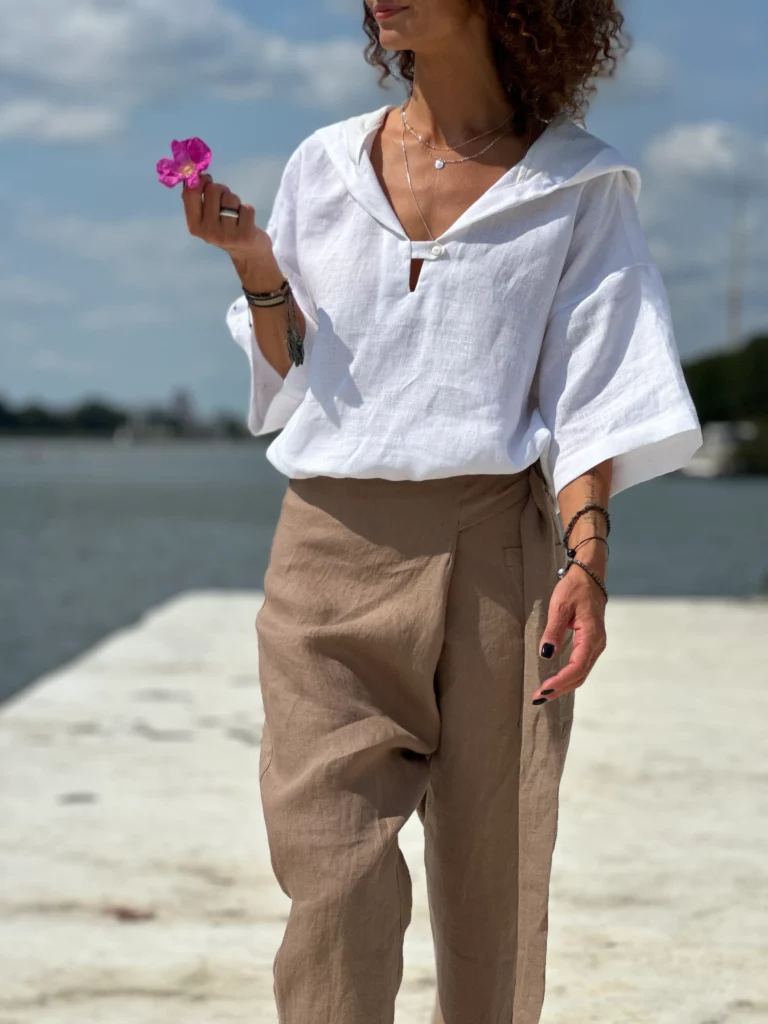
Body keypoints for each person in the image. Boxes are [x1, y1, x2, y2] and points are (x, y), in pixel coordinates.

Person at [181, 1, 702, 1020]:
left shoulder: (577, 184)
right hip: (328, 555)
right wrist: (257, 269)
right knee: (333, 884)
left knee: (491, 883)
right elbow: (297, 378)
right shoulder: (324, 165)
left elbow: (594, 397)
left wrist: (587, 564)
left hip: (498, 558)